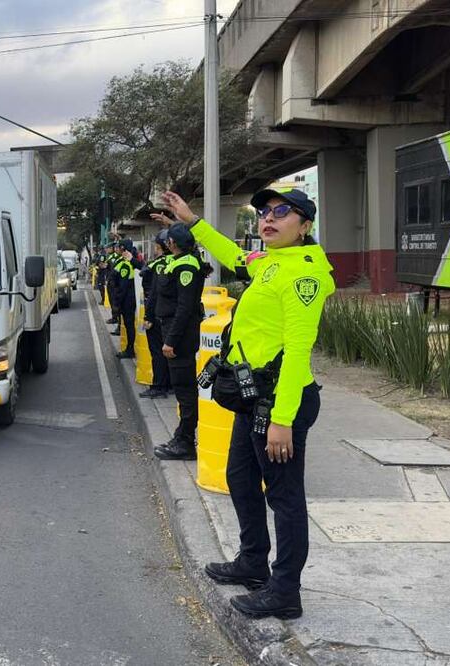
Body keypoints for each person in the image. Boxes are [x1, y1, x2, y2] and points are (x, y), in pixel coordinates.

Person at [161, 187, 335, 621]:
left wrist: (282, 420)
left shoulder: (304, 276)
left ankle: (285, 591)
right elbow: (233, 255)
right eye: (263, 212)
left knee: (285, 497)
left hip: (280, 401)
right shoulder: (270, 263)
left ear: (305, 225)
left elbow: (298, 351)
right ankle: (253, 562)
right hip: (252, 397)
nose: (268, 218)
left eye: (282, 212)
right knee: (240, 477)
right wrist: (192, 219)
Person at [151, 224, 206, 458]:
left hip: (180, 335)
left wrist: (171, 340)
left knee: (184, 389)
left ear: (172, 243)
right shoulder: (180, 260)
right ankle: (182, 436)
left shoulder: (187, 266)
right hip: (173, 330)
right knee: (182, 386)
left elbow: (184, 307)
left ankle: (184, 442)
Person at [139, 230, 172, 399]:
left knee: (157, 352)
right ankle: (168, 384)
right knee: (170, 351)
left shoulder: (156, 265)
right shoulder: (177, 262)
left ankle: (159, 386)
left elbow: (152, 293)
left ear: (160, 246)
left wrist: (147, 317)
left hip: (157, 314)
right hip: (172, 316)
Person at [109, 239, 140, 358]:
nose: (117, 249)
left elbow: (122, 287)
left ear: (123, 248)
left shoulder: (125, 264)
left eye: (119, 247)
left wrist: (116, 303)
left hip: (127, 301)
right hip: (127, 299)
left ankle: (130, 349)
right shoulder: (123, 261)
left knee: (129, 325)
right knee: (128, 325)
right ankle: (129, 348)